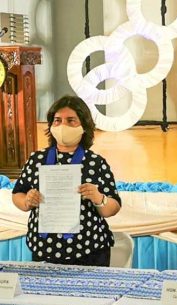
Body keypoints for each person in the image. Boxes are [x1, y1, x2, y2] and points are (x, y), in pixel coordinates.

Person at [11, 96, 122, 266]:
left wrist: (99, 198)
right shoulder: (36, 159)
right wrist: (27, 201)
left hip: (88, 251)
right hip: (44, 249)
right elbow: (18, 193)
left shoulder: (96, 162)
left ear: (84, 126)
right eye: (57, 121)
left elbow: (113, 208)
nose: (63, 126)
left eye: (71, 121)